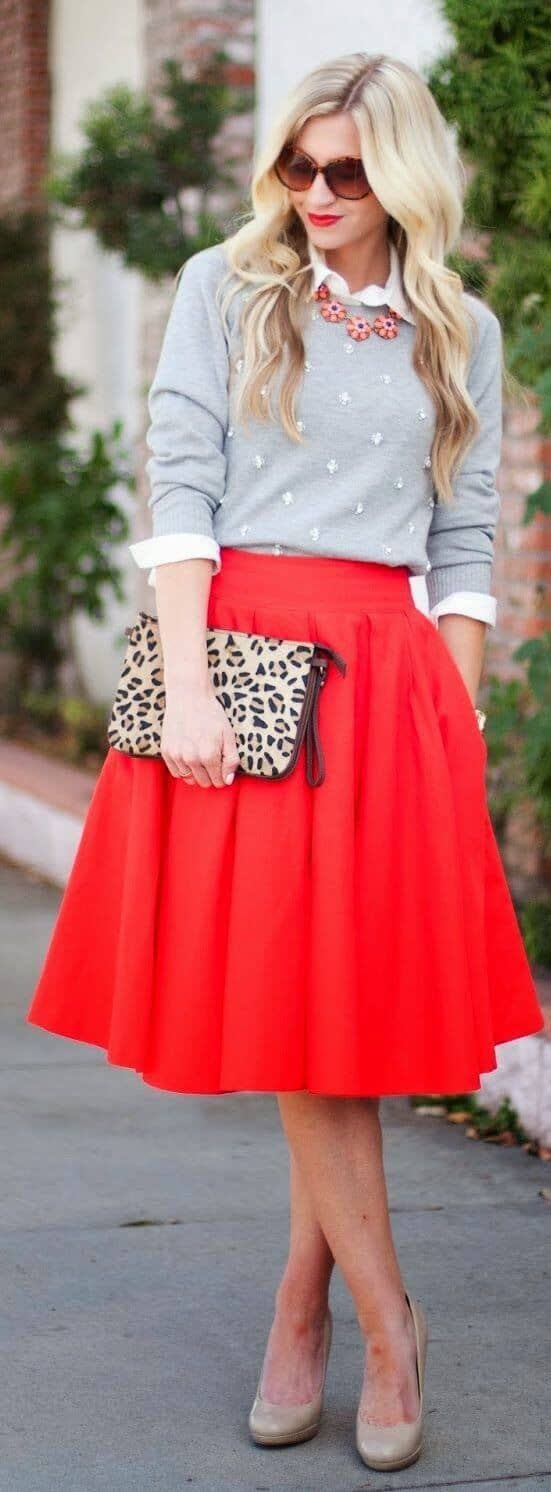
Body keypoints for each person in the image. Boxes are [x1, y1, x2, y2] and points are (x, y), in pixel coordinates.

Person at [26, 51, 544, 1472]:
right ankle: (388, 1326)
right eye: (298, 168)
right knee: (299, 1023)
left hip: (392, 689)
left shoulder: (460, 327)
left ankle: (301, 1302)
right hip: (245, 674)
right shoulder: (226, 287)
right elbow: (178, 477)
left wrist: (460, 725)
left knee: (349, 1023)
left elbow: (464, 542)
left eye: (349, 172)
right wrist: (184, 684)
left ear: (405, 181)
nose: (316, 195)